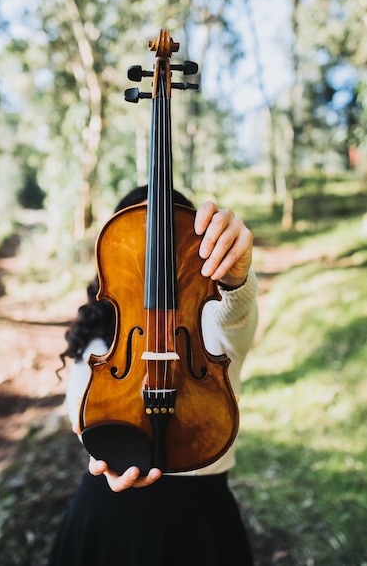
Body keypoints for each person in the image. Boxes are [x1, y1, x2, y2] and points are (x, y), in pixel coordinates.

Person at [48, 185, 258, 566]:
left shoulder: (210, 319)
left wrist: (235, 280)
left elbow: (236, 316)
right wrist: (101, 443)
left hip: (200, 515)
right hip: (108, 510)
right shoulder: (99, 337)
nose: (156, 260)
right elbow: (80, 409)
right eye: (143, 242)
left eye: (169, 243)